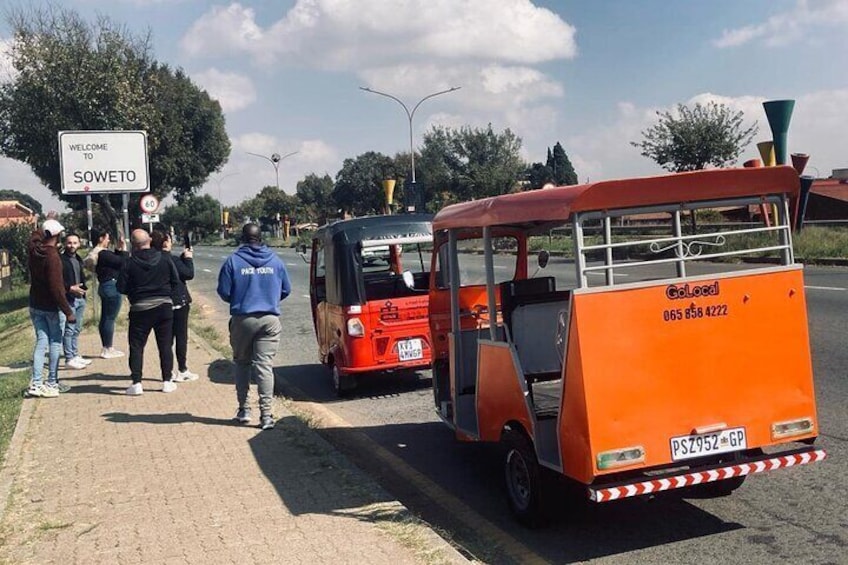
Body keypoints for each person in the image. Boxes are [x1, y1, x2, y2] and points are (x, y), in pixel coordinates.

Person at [217, 223, 291, 430]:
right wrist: (270, 299)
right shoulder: (276, 261)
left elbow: (224, 292)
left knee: (242, 364)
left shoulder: (233, 261)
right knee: (264, 366)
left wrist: (241, 298)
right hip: (270, 319)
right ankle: (267, 415)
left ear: (242, 238)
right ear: (261, 237)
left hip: (243, 318)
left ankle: (244, 410)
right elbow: (286, 289)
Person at [117, 229, 179, 395]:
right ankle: (167, 381)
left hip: (140, 308)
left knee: (136, 346)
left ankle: (137, 383)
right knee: (165, 345)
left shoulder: (129, 263)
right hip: (164, 306)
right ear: (149, 240)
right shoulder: (165, 258)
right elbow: (175, 281)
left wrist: (135, 292)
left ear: (134, 245)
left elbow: (121, 287)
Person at [27, 219, 76, 398]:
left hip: (34, 304)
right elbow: (56, 287)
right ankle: (52, 382)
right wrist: (68, 311)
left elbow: (33, 238)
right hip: (50, 307)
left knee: (41, 342)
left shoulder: (34, 251)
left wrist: (42, 226)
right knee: (55, 342)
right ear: (57, 235)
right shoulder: (53, 256)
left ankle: (36, 383)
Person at [151, 230, 198, 382]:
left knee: (165, 340)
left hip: (160, 303)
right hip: (178, 302)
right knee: (181, 337)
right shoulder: (171, 260)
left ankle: (167, 373)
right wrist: (189, 259)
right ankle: (182, 369)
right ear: (166, 242)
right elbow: (188, 274)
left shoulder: (152, 259)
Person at [88, 229, 127, 358]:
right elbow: (123, 263)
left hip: (104, 286)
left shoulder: (97, 253)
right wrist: (124, 249)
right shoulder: (103, 253)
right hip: (112, 286)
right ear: (101, 238)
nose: (108, 240)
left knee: (105, 318)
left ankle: (106, 346)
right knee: (110, 318)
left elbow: (114, 261)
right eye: (107, 238)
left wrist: (118, 250)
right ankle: (108, 348)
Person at [59, 232, 91, 372]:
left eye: (75, 243)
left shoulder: (78, 259)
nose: (72, 245)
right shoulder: (61, 260)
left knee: (77, 328)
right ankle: (69, 358)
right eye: (69, 243)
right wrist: (69, 288)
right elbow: (57, 281)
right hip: (69, 298)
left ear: (79, 244)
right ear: (65, 244)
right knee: (69, 329)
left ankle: (75, 354)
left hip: (80, 298)